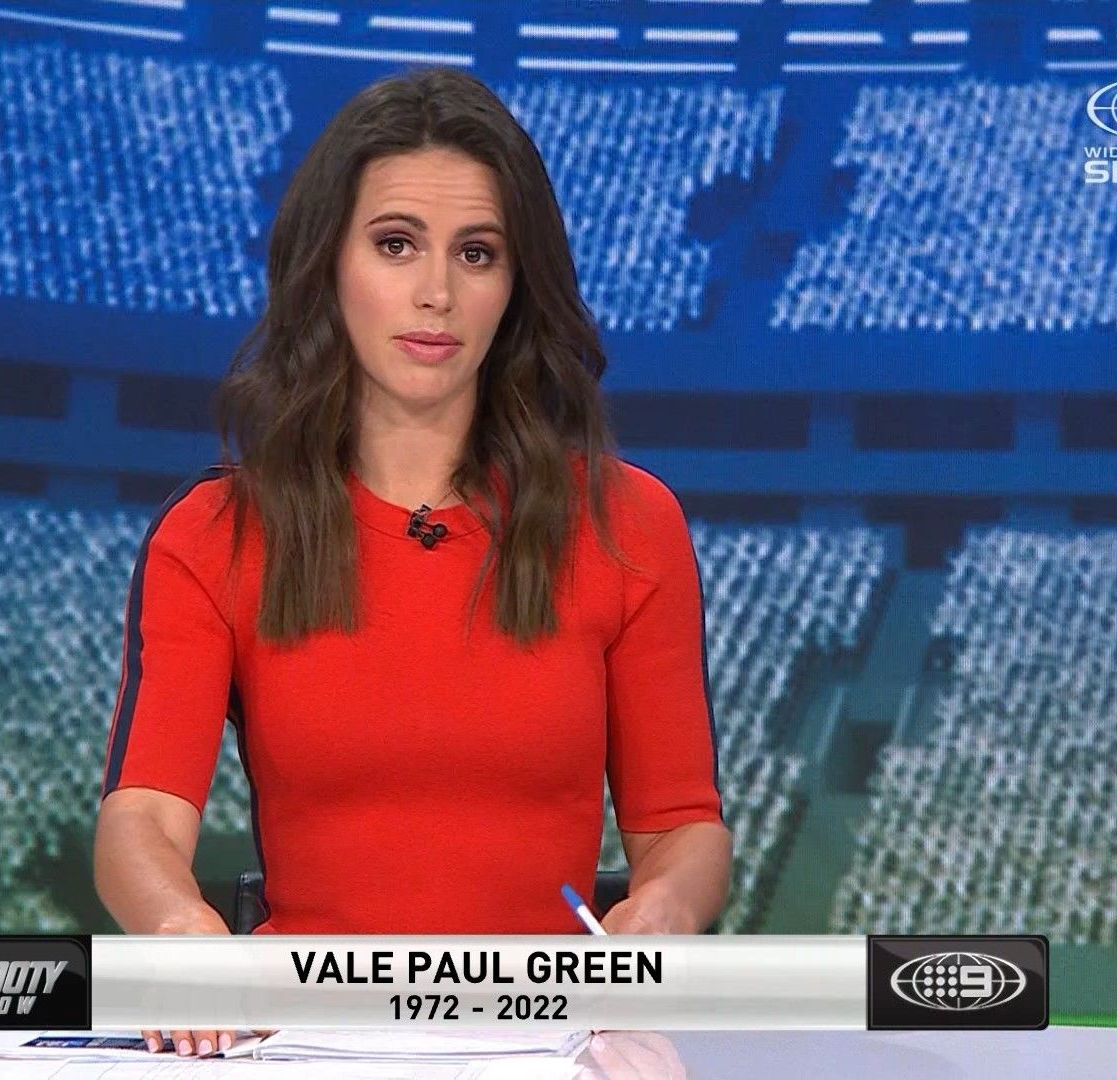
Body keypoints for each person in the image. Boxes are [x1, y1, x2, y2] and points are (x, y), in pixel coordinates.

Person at [93, 66, 732, 1057]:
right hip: (299, 1040)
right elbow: (140, 819)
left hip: (545, 1038)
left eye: (477, 253)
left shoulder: (628, 525)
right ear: (328, 264)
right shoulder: (214, 534)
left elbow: (684, 827)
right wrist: (179, 926)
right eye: (396, 244)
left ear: (515, 286)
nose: (437, 294)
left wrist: (659, 918)